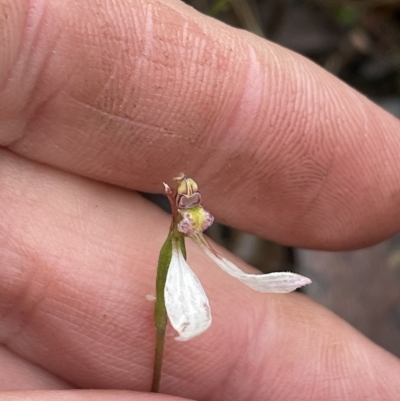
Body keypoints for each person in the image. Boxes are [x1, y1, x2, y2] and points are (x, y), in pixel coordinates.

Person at [0, 0, 399, 400]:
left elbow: (228, 276)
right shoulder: (177, 235)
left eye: (193, 203)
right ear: (175, 202)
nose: (192, 206)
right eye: (184, 201)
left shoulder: (185, 232)